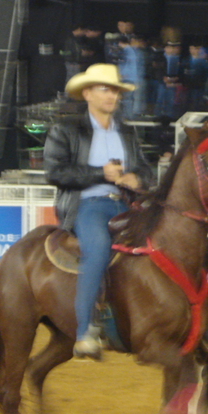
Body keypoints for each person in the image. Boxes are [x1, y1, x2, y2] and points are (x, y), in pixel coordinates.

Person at [43, 63, 154, 360]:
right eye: (105, 89)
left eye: (115, 90)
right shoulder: (65, 130)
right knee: (98, 249)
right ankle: (84, 332)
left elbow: (146, 169)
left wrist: (137, 178)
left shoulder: (127, 132)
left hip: (126, 205)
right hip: (88, 206)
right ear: (88, 93)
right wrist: (99, 174)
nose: (112, 96)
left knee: (166, 241)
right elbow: (54, 172)